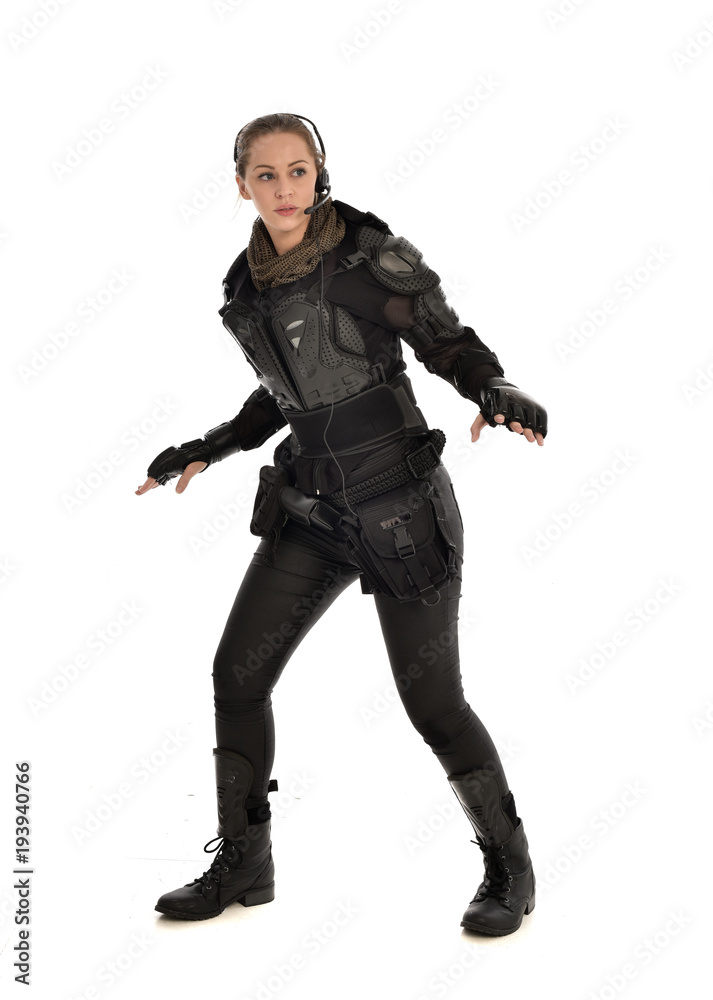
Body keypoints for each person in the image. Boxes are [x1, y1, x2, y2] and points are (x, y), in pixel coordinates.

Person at [136, 113, 547, 936]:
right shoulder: (246, 285)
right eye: (266, 175)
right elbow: (286, 393)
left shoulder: (369, 257)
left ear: (319, 172)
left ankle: (511, 869)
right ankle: (245, 864)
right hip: (312, 510)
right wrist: (210, 447)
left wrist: (491, 389)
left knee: (432, 705)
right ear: (242, 183)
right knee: (236, 677)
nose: (284, 189)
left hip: (399, 504)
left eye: (297, 171)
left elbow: (444, 340)